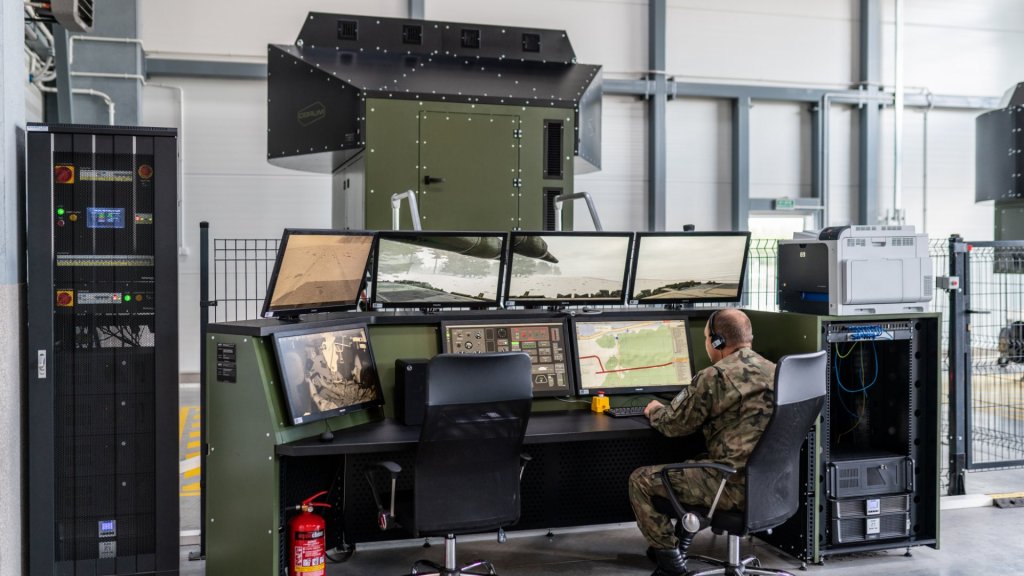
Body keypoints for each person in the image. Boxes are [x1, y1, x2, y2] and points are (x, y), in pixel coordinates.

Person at [629, 308, 777, 576]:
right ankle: (675, 548)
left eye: (708, 338)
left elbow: (672, 425)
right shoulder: (776, 371)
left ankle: (671, 565)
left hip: (731, 486)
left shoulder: (715, 376)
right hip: (772, 486)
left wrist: (653, 409)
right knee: (692, 462)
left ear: (717, 341)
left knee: (641, 480)